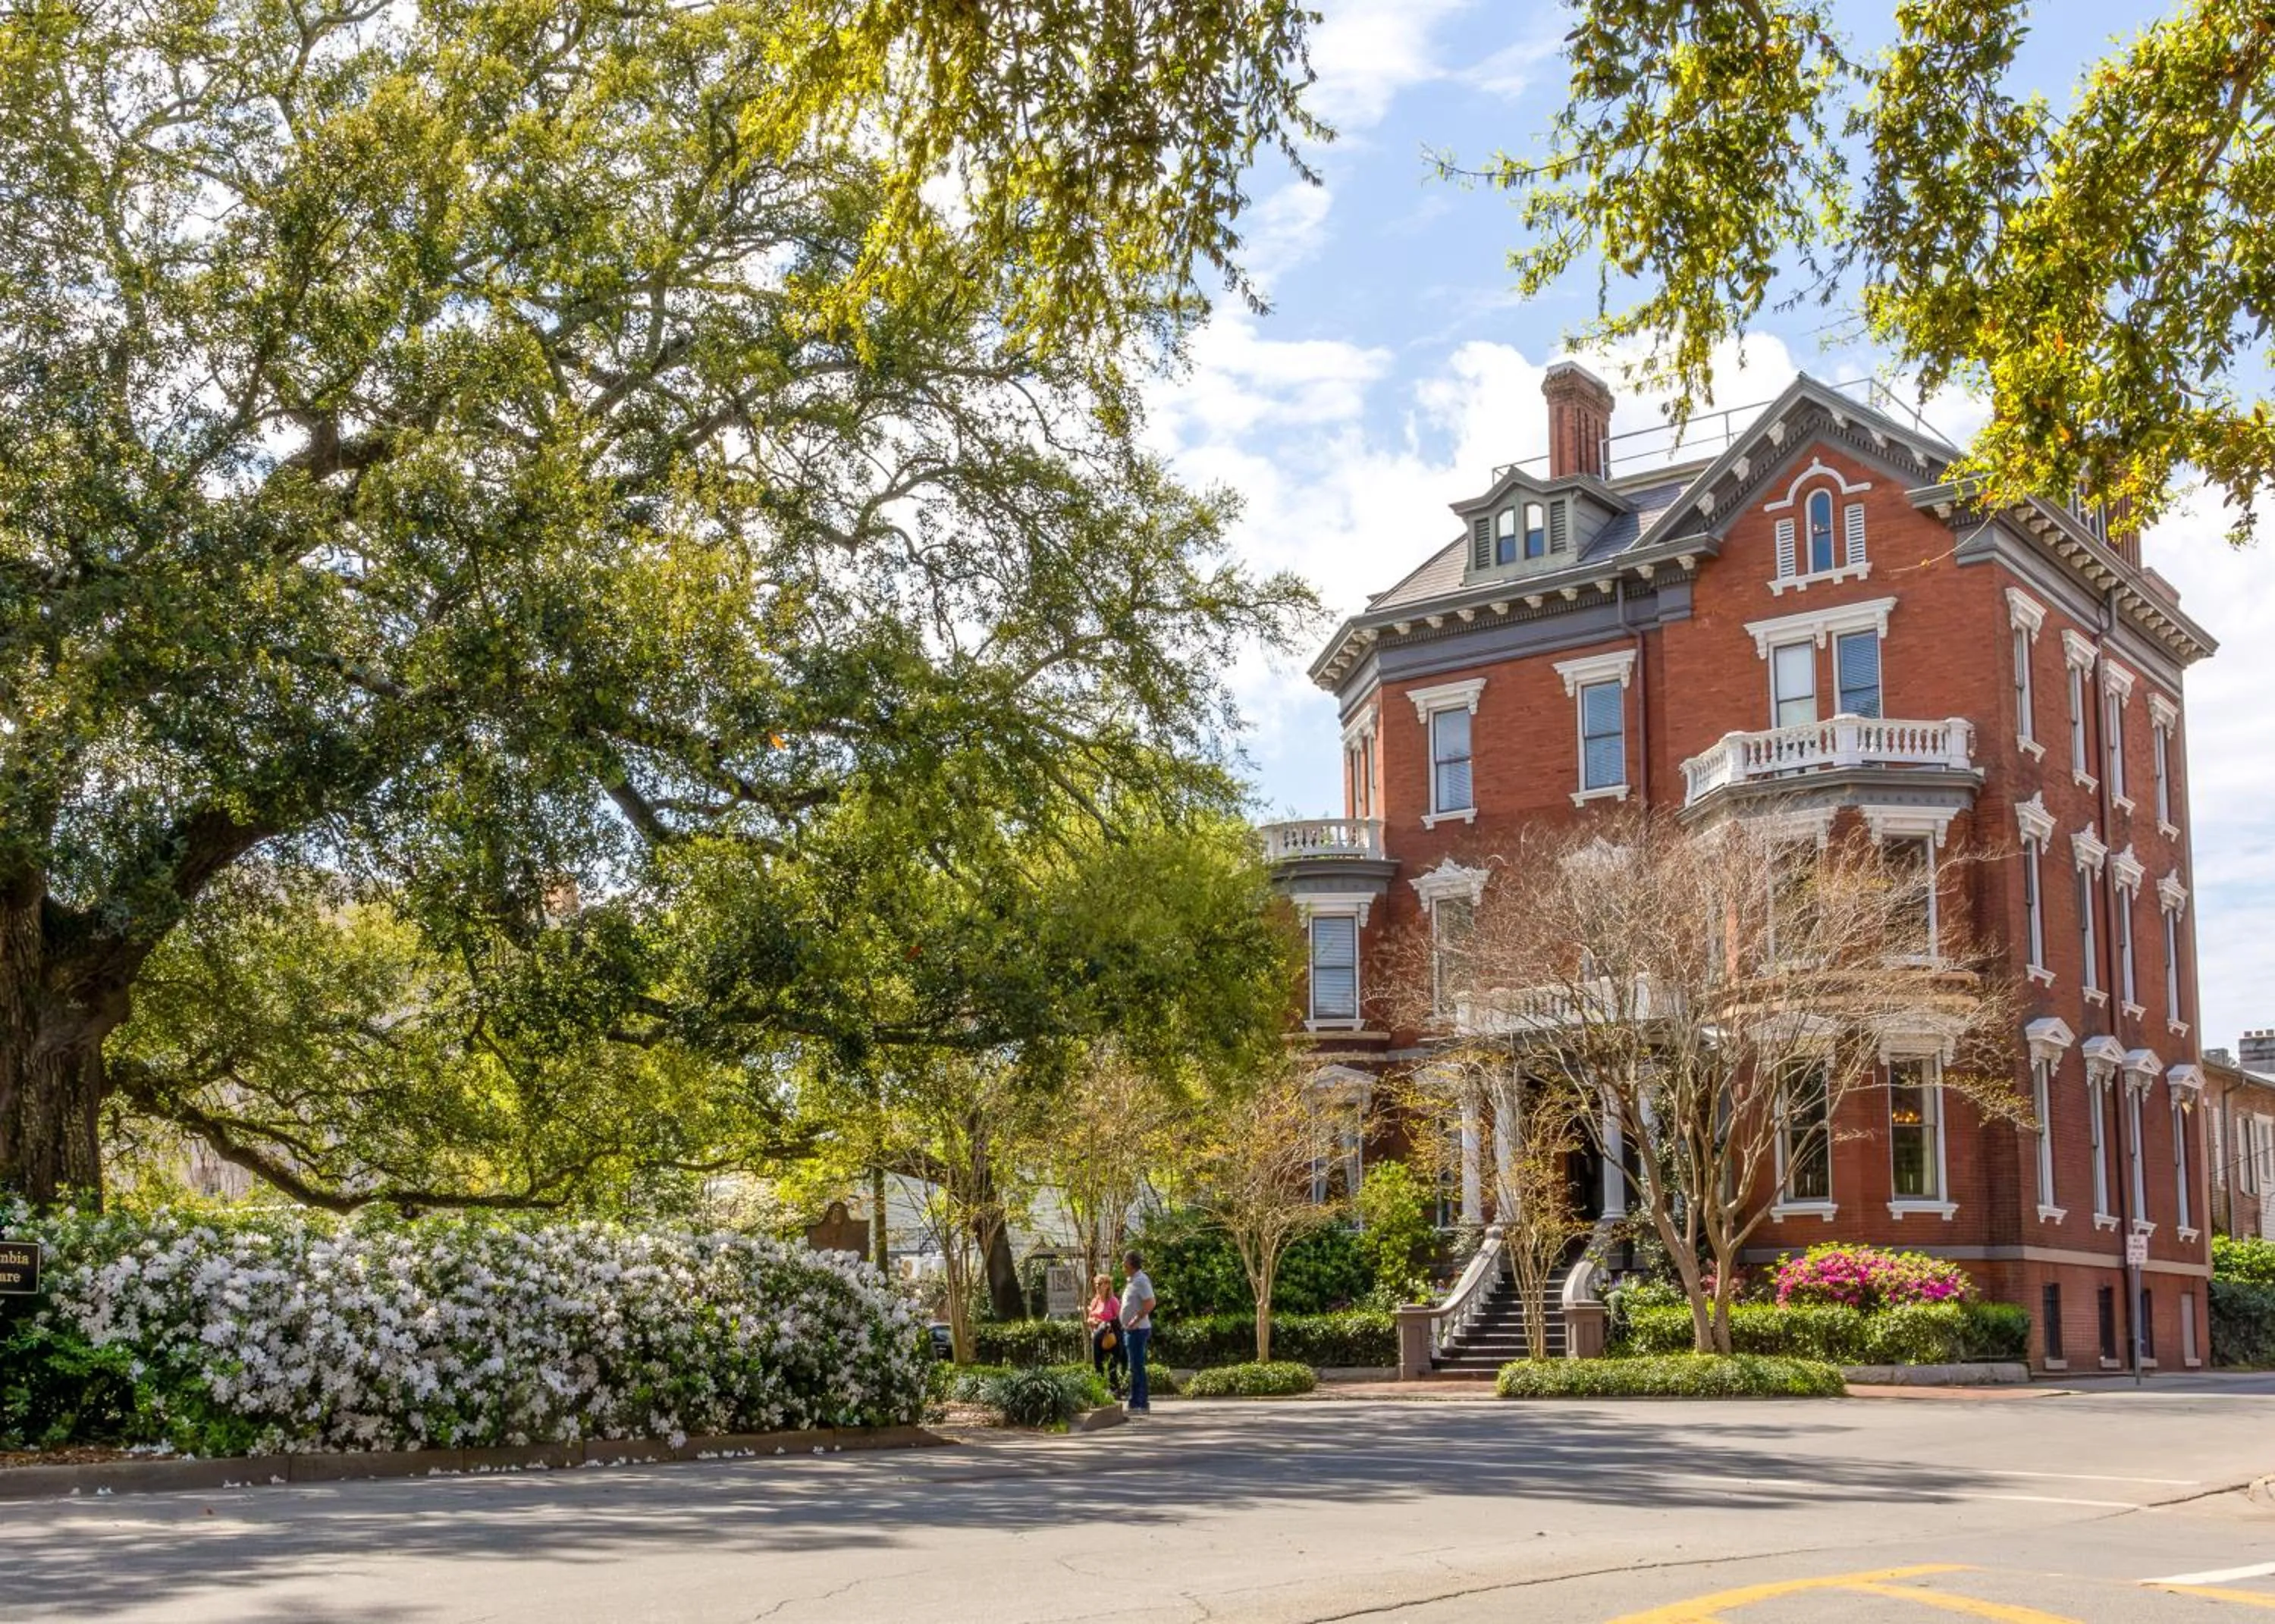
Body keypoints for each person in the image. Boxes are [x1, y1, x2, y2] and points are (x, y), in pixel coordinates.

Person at [1119, 1249, 1156, 1413]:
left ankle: (1140, 1402)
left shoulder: (1141, 1280)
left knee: (1137, 1366)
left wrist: (1135, 1320)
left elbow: (1150, 1303)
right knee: (1134, 1366)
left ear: (1130, 1263)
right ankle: (1135, 1401)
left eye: (1124, 1261)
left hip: (1138, 1330)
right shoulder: (1133, 1280)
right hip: (1131, 1330)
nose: (1122, 1264)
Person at [1087, 1272, 1127, 1397]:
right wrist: (1094, 1321)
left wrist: (1106, 1323)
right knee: (1098, 1364)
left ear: (1107, 1285)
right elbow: (1089, 1319)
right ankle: (1099, 1389)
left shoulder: (1113, 1301)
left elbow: (1120, 1319)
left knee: (1112, 1366)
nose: (1097, 1287)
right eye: (1096, 1284)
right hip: (1099, 1338)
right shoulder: (1095, 1301)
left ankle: (1115, 1391)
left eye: (1100, 1284)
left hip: (1113, 1337)